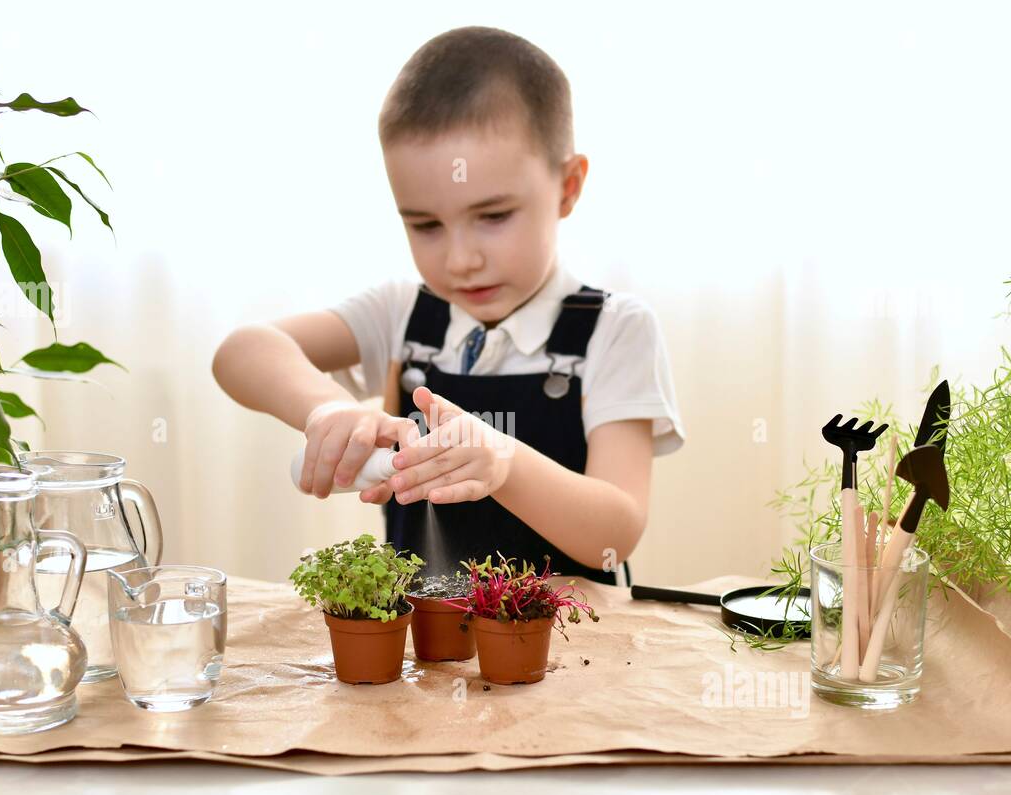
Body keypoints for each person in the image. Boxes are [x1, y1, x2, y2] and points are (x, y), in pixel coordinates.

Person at [213, 26, 684, 585]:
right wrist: (329, 409)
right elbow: (242, 353)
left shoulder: (614, 330)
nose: (460, 260)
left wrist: (503, 463)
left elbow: (614, 533)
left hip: (572, 653)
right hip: (427, 654)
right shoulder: (403, 313)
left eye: (493, 216)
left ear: (567, 186)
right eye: (426, 225)